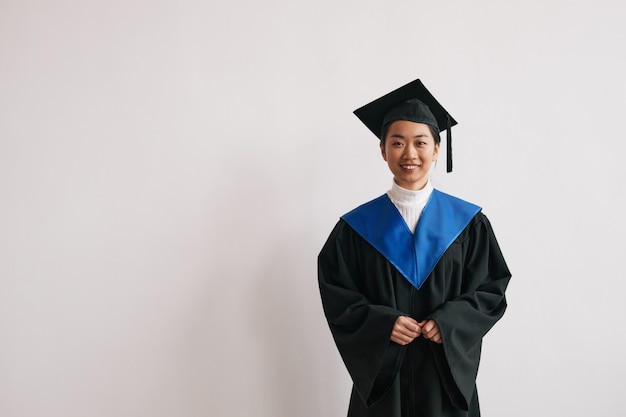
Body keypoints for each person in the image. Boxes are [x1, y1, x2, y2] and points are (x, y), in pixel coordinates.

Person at [317, 78, 511, 417]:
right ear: (382, 150)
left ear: (436, 149)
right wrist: (382, 324)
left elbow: (491, 290)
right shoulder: (354, 229)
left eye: (420, 142)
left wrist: (449, 323)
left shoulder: (469, 224)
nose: (409, 154)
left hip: (444, 382)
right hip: (383, 387)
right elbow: (338, 297)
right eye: (397, 142)